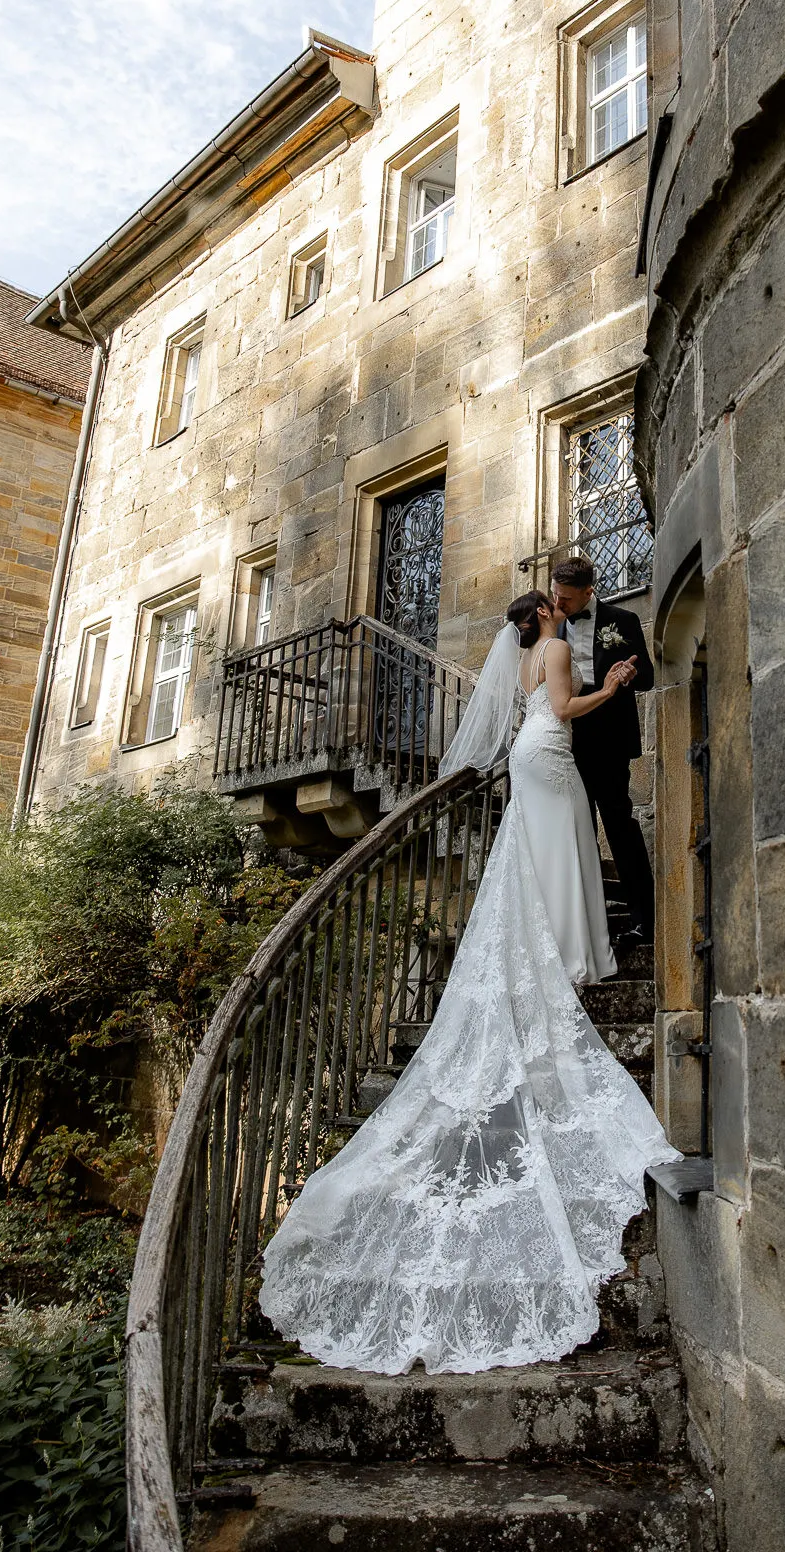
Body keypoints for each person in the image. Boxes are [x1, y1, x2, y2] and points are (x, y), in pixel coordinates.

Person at [258, 589, 679, 1377]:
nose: (559, 614)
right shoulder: (552, 652)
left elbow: (537, 706)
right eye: (553, 608)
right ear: (545, 618)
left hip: (531, 757)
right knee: (559, 852)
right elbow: (565, 705)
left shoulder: (520, 652)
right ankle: (567, 947)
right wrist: (613, 688)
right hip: (549, 754)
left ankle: (558, 941)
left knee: (538, 858)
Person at [551, 555, 656, 945]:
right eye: (556, 595)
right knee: (577, 831)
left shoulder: (623, 622)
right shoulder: (553, 626)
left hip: (609, 739)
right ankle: (587, 924)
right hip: (569, 738)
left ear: (589, 592)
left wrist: (630, 675)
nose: (559, 605)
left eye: (566, 600)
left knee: (619, 827)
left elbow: (647, 675)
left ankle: (644, 920)